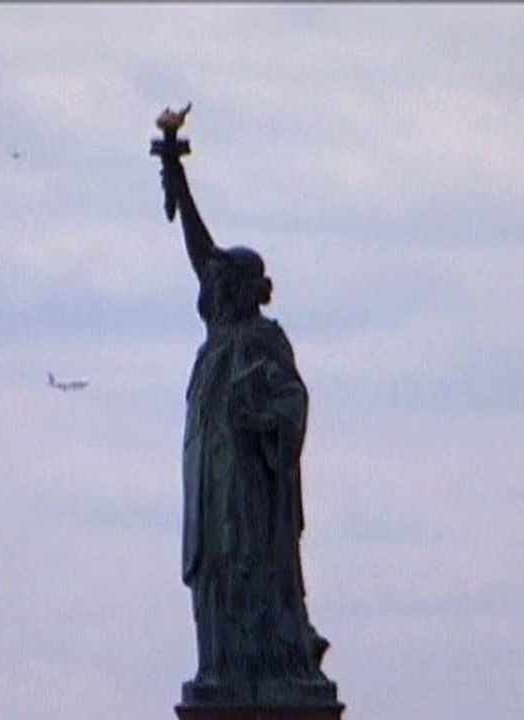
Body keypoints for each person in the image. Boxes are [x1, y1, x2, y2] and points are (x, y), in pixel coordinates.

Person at [158, 137, 332, 698]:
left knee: (243, 575)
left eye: (219, 283)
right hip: (210, 496)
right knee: (212, 577)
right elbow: (201, 253)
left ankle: (258, 666)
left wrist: (258, 416)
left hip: (249, 502)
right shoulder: (219, 340)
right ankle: (221, 669)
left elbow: (293, 402)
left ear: (237, 290)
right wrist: (176, 178)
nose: (208, 288)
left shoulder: (262, 340)